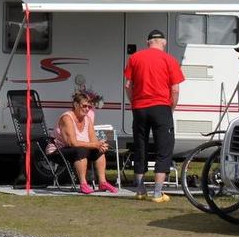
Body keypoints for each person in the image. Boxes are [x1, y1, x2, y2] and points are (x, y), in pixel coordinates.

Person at [123, 29, 185, 203]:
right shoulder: (169, 60)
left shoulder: (135, 58)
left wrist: (134, 102)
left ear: (148, 42)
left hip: (140, 108)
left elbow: (128, 85)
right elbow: (175, 89)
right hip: (161, 107)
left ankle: (140, 190)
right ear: (164, 42)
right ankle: (157, 193)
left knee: (140, 147)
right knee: (163, 148)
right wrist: (171, 108)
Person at [49, 91, 118, 194]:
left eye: (89, 107)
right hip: (58, 151)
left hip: (76, 148)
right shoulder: (67, 118)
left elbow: (93, 140)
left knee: (99, 150)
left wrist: (100, 145)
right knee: (80, 151)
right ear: (76, 105)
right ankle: (83, 184)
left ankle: (102, 182)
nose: (87, 109)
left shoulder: (87, 119)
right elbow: (72, 143)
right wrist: (95, 145)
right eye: (84, 106)